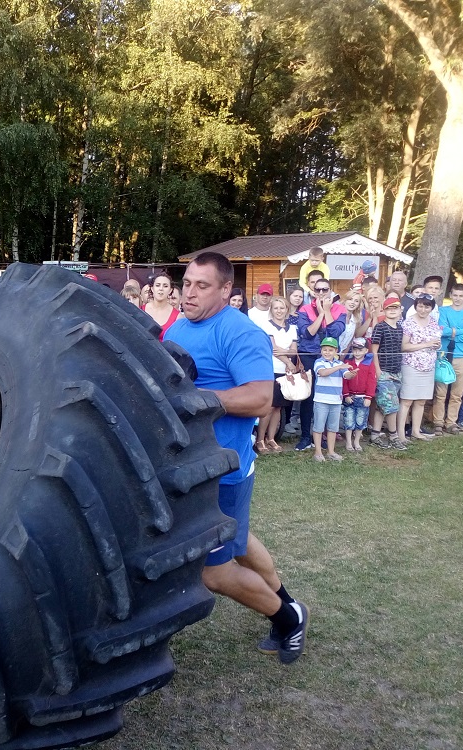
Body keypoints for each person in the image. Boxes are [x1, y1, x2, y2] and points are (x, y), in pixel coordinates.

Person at [164, 252, 308, 664]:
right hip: (191, 466)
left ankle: (288, 618)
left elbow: (261, 399)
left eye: (201, 286)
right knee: (239, 542)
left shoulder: (240, 333)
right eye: (187, 283)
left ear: (227, 290)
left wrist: (197, 401)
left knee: (214, 572)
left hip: (222, 471)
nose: (189, 293)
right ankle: (288, 602)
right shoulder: (181, 325)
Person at [293, 276, 346, 451]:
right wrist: (321, 313)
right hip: (309, 355)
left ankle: (322, 436)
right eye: (318, 290)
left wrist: (328, 311)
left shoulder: (340, 309)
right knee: (309, 397)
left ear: (330, 291)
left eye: (325, 289)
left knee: (326, 397)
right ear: (313, 292)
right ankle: (306, 436)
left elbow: (335, 331)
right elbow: (307, 334)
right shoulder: (305, 309)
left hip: (330, 357)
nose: (322, 293)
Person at [433, 283, 463, 435]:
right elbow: (441, 330)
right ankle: (438, 421)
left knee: (456, 393)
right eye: (455, 295)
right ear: (450, 295)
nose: (458, 299)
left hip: (462, 357)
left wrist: (452, 332)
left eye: (461, 296)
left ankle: (451, 422)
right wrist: (460, 332)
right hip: (444, 355)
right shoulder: (443, 311)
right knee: (440, 392)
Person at [257, 295, 298, 453]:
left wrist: (286, 353)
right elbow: (273, 349)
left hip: (285, 372)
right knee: (269, 406)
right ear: (271, 310)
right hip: (271, 369)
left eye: (282, 308)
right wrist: (288, 360)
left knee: (278, 408)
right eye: (276, 308)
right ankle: (260, 439)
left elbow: (294, 350)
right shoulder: (267, 326)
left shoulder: (292, 328)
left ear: (287, 310)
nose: (279, 311)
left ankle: (271, 438)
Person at [398, 293, 441, 442]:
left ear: (431, 308)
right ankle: (401, 434)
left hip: (428, 366)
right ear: (415, 306)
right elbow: (404, 346)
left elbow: (435, 341)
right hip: (411, 365)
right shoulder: (408, 323)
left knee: (421, 401)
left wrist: (436, 345)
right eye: (420, 305)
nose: (423, 309)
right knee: (407, 400)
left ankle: (416, 431)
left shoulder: (434, 322)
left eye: (426, 306)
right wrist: (426, 345)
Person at [368, 293, 407, 449]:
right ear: (383, 310)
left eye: (395, 308)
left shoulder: (400, 328)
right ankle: (393, 436)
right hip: (384, 371)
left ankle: (375, 435)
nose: (392, 310)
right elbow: (374, 350)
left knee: (382, 405)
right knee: (392, 406)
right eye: (389, 308)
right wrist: (377, 370)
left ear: (400, 310)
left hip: (396, 370)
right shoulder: (380, 327)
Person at [312, 337, 352, 461]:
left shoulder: (340, 364)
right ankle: (318, 452)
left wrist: (353, 374)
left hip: (335, 400)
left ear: (336, 351)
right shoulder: (319, 362)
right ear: (321, 351)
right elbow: (323, 373)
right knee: (318, 427)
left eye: (330, 350)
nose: (327, 352)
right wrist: (339, 367)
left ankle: (331, 451)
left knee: (333, 428)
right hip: (321, 399)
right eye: (325, 350)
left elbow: (347, 375)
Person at [342, 338, 376, 452]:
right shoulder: (348, 363)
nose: (357, 352)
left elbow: (372, 381)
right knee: (349, 420)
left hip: (363, 397)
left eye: (360, 350)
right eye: (355, 349)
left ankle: (356, 441)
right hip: (350, 397)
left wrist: (369, 396)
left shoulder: (369, 363)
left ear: (366, 350)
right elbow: (344, 380)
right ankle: (348, 442)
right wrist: (346, 395)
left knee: (360, 420)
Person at [144, 272, 181, 340]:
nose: (161, 288)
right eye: (158, 285)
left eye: (165, 286)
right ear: (152, 288)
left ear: (170, 290)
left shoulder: (178, 317)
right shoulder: (140, 310)